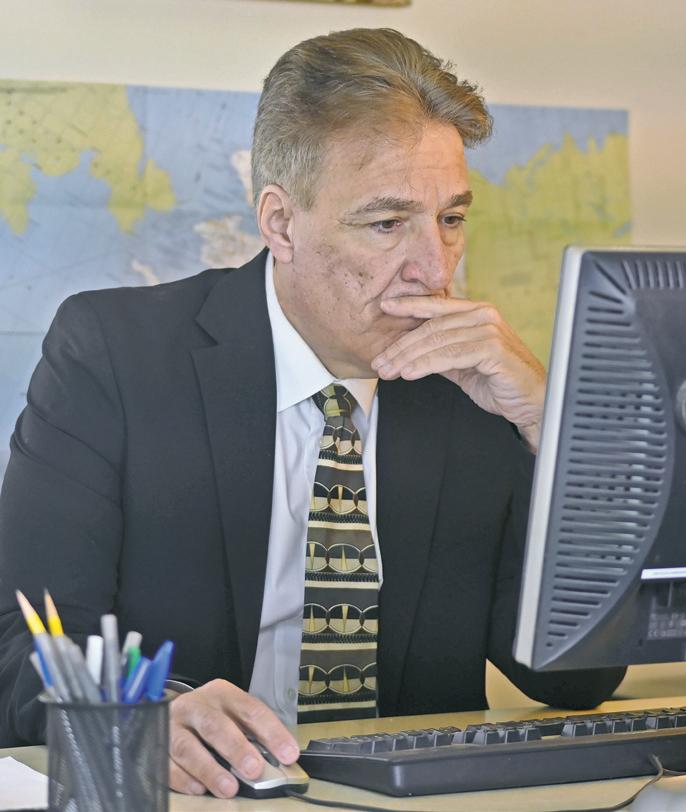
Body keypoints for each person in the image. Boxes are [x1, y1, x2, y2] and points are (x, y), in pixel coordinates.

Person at [0, 28, 625, 797]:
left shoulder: (472, 385)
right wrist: (139, 717)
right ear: (280, 223)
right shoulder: (117, 356)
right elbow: (21, 646)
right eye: (387, 224)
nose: (434, 268)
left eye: (452, 219)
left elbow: (575, 676)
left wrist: (553, 431)